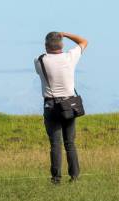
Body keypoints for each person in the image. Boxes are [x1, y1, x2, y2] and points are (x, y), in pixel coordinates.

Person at [34, 31, 88, 184]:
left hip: (51, 105)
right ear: (62, 45)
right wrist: (65, 33)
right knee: (70, 143)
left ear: (46, 46)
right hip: (69, 104)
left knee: (55, 144)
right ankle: (75, 177)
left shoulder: (39, 60)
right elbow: (83, 41)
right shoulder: (70, 57)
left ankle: (56, 178)